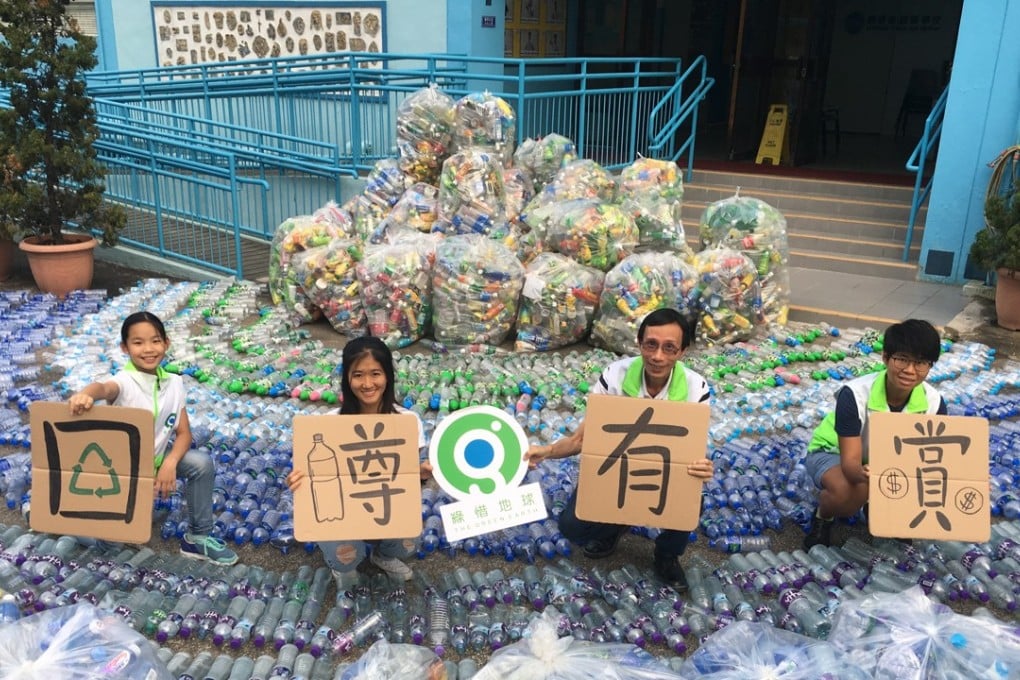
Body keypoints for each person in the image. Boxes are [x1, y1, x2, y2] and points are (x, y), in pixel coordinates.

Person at [524, 308, 713, 590]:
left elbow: (692, 452)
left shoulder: (695, 387)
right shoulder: (614, 376)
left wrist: (702, 467)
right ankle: (615, 525)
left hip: (664, 474)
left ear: (682, 352)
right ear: (639, 343)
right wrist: (547, 451)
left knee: (690, 502)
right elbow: (580, 439)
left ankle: (667, 555)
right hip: (618, 470)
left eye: (669, 348)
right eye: (651, 344)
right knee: (573, 527)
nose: (658, 356)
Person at [68, 311, 238, 566]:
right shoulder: (124, 383)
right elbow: (103, 388)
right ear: (125, 348)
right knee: (111, 548)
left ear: (166, 343)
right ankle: (66, 525)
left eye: (155, 340)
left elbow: (184, 434)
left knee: (201, 464)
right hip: (123, 474)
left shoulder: (174, 383)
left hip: (155, 461)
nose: (148, 349)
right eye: (138, 343)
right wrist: (85, 395)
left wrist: (169, 463)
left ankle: (198, 538)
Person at [287, 336, 432, 589]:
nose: (367, 384)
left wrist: (419, 474)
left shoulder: (407, 422)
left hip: (384, 503)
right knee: (345, 557)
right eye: (358, 375)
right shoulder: (330, 423)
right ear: (347, 379)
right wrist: (299, 481)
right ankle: (343, 562)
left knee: (409, 542)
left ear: (387, 376)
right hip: (342, 510)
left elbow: (407, 481)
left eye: (375, 373)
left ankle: (383, 554)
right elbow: (312, 480)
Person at [802, 318, 947, 550]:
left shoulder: (934, 403)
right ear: (886, 357)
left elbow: (935, 459)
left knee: (922, 487)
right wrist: (876, 478)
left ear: (930, 366)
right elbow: (851, 464)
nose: (910, 370)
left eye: (921, 363)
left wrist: (968, 481)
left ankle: (879, 509)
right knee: (851, 491)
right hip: (834, 453)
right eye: (902, 359)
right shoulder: (855, 394)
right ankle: (823, 516)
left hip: (885, 465)